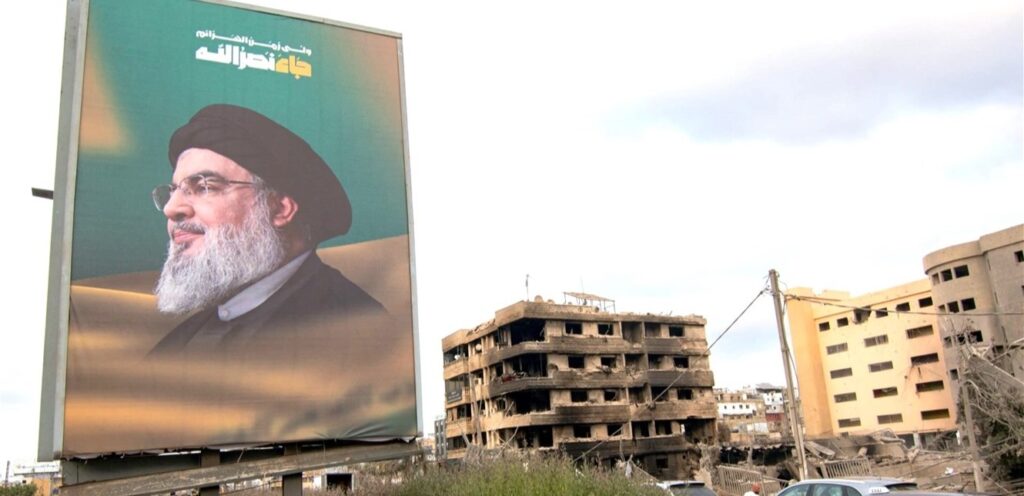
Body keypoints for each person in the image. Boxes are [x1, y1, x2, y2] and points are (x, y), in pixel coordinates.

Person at [148, 103, 387, 356]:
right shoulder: (184, 340)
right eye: (174, 191)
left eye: (204, 186)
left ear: (280, 209)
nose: (171, 208)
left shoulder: (355, 330)